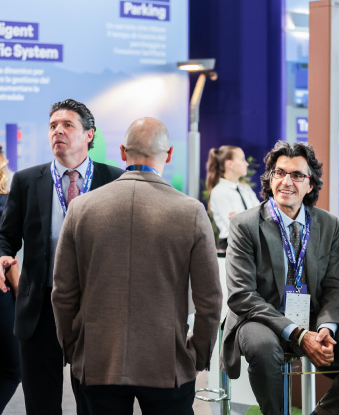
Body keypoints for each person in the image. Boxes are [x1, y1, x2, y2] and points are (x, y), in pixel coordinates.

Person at [52, 117, 222, 414]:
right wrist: (197, 355)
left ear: (121, 151)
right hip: (167, 362)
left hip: (97, 359)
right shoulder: (191, 212)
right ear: (169, 154)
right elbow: (209, 301)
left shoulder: (80, 208)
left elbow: (63, 293)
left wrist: (74, 348)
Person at [221, 141, 339, 415]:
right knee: (262, 347)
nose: (286, 181)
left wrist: (325, 329)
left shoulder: (326, 223)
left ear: (310, 185)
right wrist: (298, 334)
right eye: (279, 173)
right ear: (270, 179)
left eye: (297, 175)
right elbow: (242, 296)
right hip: (261, 319)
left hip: (311, 319)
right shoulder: (245, 225)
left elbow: (334, 286)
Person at [0, 99, 124, 415]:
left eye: (68, 125)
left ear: (89, 135)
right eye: (53, 125)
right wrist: (1, 257)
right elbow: (6, 237)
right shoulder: (27, 181)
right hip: (39, 306)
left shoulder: (115, 180)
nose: (58, 131)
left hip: (95, 309)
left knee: (95, 403)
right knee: (41, 403)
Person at [0, 146, 21, 413]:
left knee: (12, 366)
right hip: (4, 287)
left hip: (4, 286)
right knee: (12, 366)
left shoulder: (10, 192)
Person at [206, 145, 260, 249]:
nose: (246, 163)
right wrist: (251, 217)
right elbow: (235, 227)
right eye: (242, 159)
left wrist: (241, 217)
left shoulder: (245, 188)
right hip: (231, 246)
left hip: (251, 244)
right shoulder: (219, 191)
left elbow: (261, 214)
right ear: (230, 164)